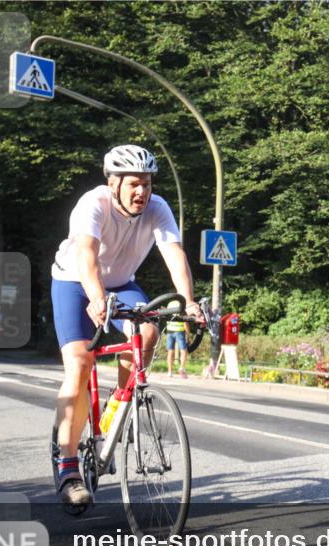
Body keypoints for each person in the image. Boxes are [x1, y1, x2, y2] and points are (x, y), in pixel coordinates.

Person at [50, 145, 204, 508]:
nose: (142, 192)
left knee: (148, 331)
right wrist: (96, 297)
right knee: (80, 363)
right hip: (75, 282)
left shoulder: (158, 208)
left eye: (147, 184)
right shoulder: (93, 204)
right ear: (113, 183)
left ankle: (118, 403)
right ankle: (68, 467)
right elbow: (86, 255)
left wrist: (189, 301)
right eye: (134, 183)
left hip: (122, 285)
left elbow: (174, 254)